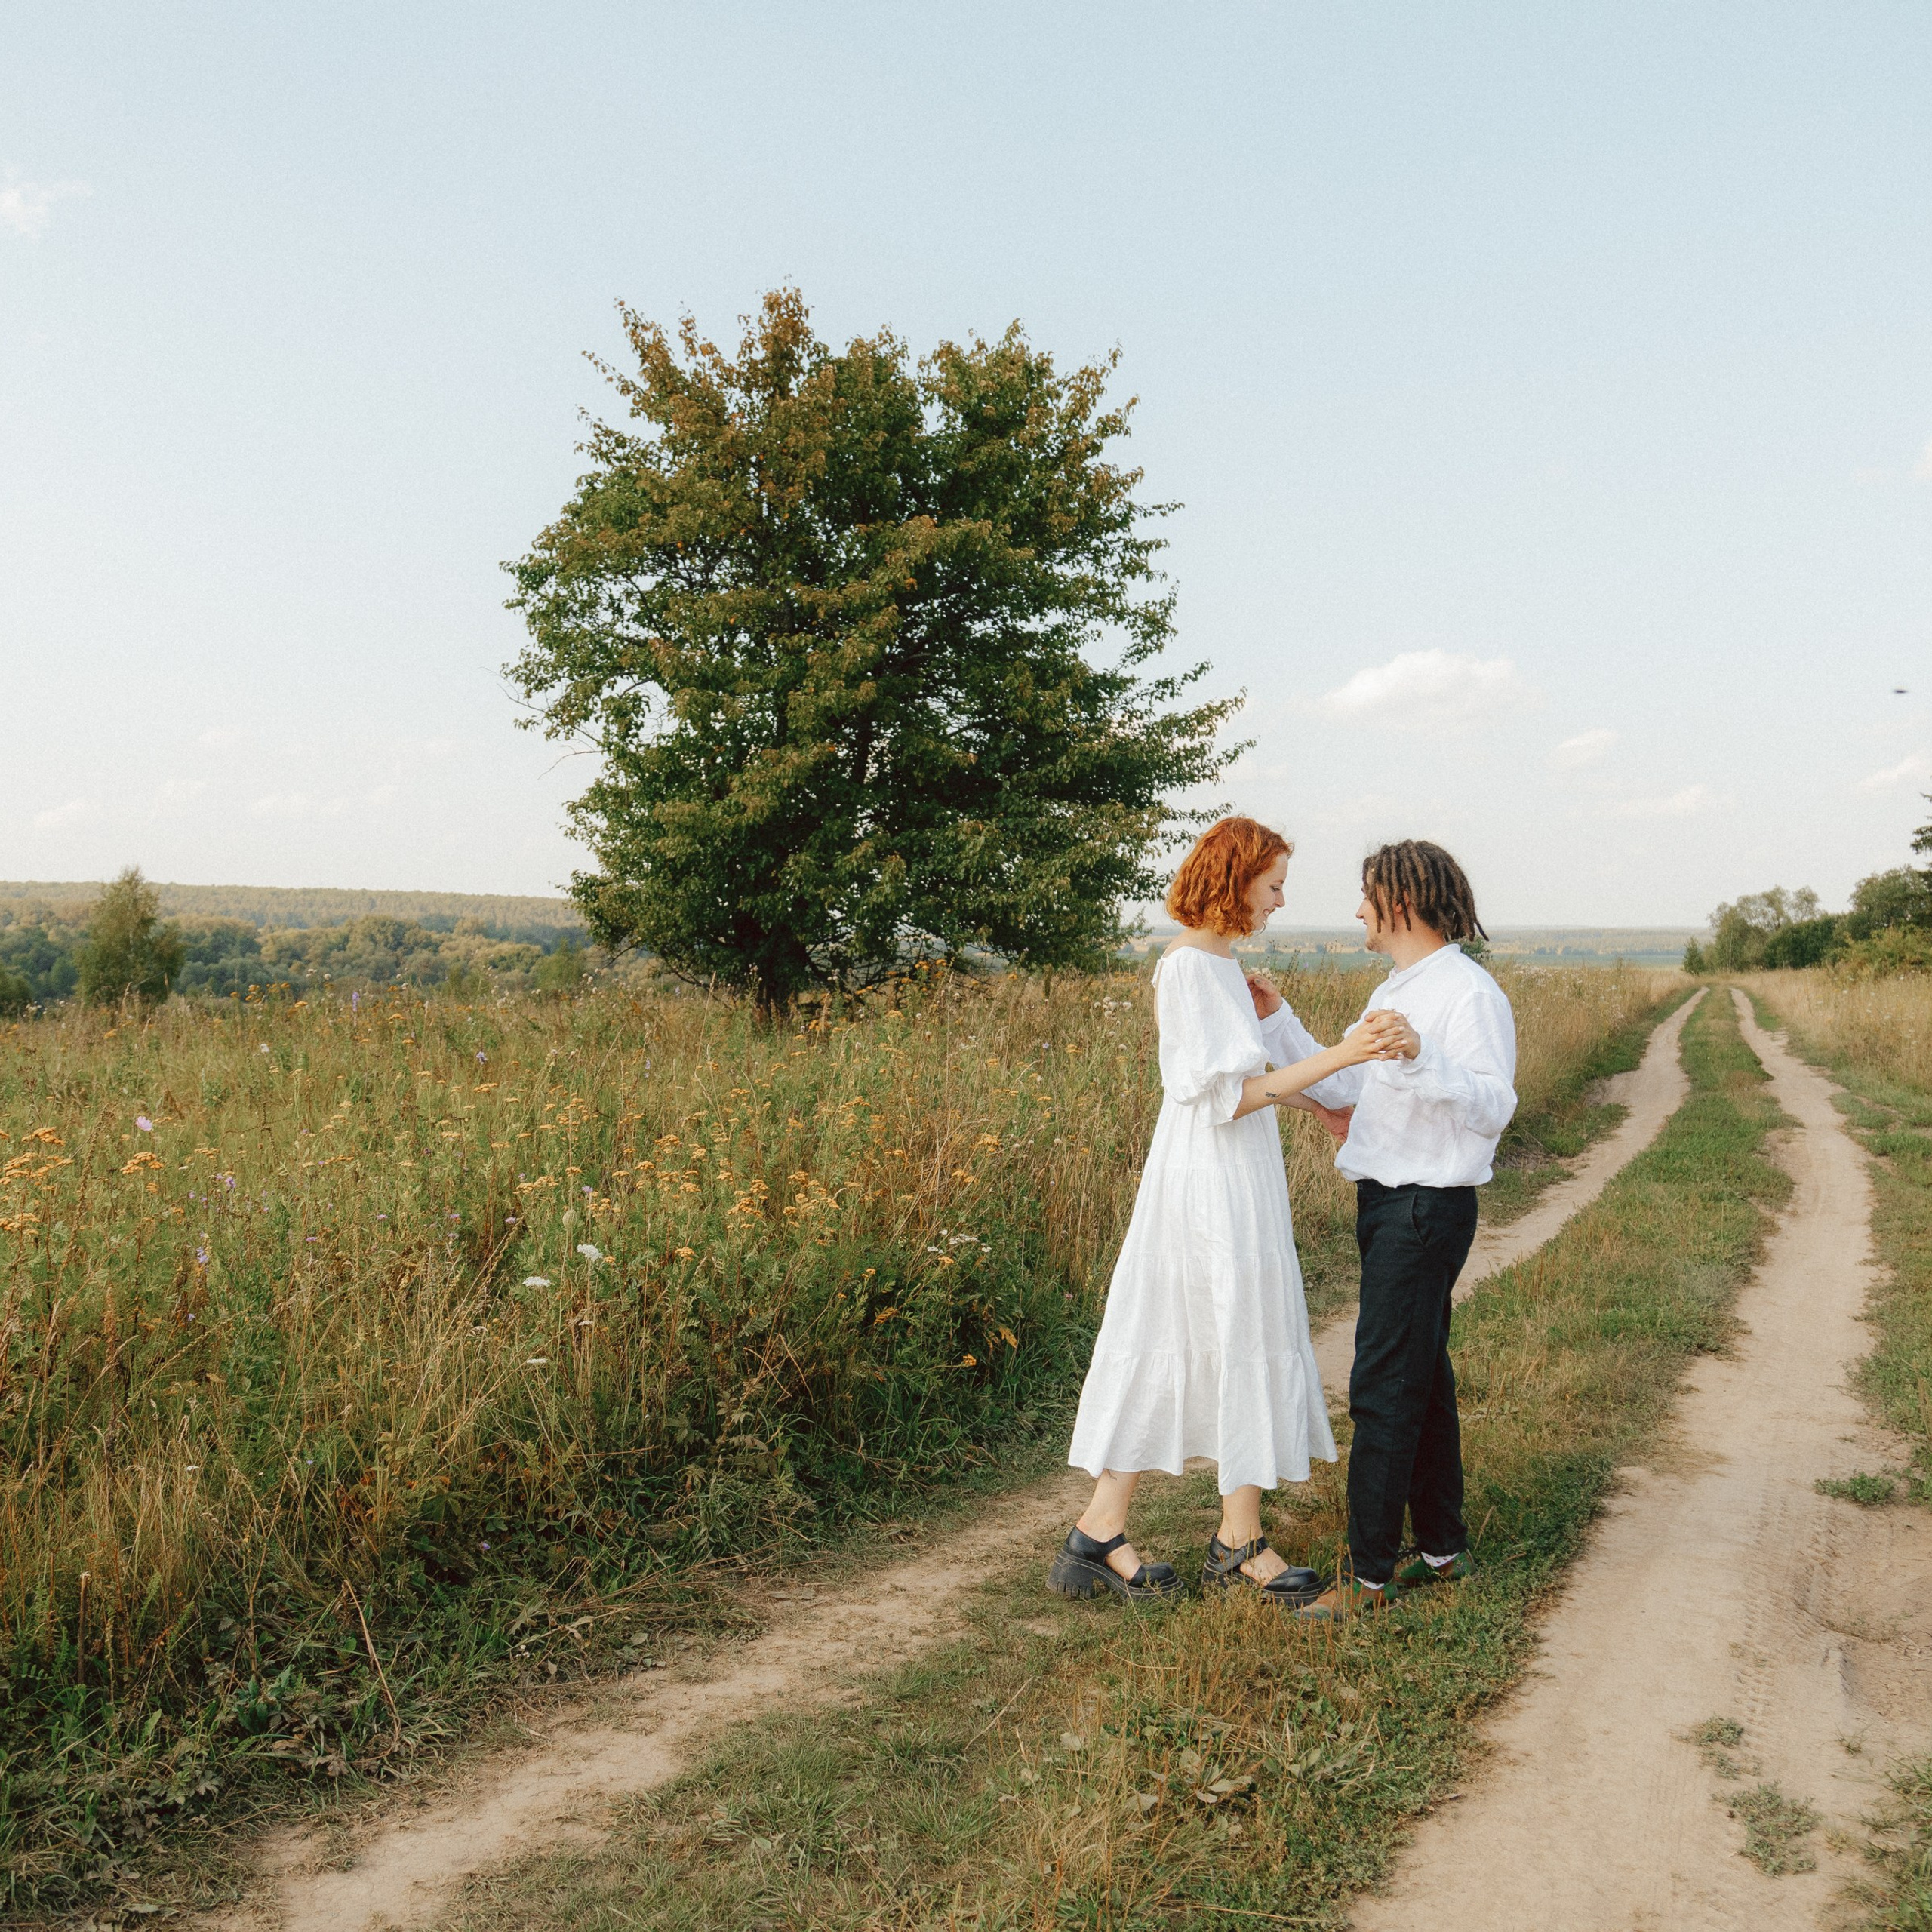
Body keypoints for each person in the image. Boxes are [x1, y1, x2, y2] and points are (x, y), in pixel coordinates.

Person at [1050, 818, 1411, 1606]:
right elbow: (1231, 1096)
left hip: (1235, 1169)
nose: (1281, 900)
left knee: (1228, 1326)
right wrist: (1345, 1055)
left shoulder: (1221, 964)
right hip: (1206, 1176)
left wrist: (1312, 1080)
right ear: (1236, 875)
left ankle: (1127, 1531)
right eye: (1274, 883)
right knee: (1192, 1325)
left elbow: (1253, 1084)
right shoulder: (1187, 966)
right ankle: (1207, 1538)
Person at [1289, 839, 1518, 1622]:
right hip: (1386, 1201)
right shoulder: (1399, 986)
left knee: (1382, 1384)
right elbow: (1351, 1084)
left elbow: (1493, 1106)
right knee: (1421, 1377)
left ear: (1400, 902)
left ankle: (1366, 1578)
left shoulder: (1464, 992)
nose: (1355, 910)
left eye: (1364, 895)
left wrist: (1422, 1056)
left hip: (1424, 1206)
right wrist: (1278, 1020)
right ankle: (1441, 1550)